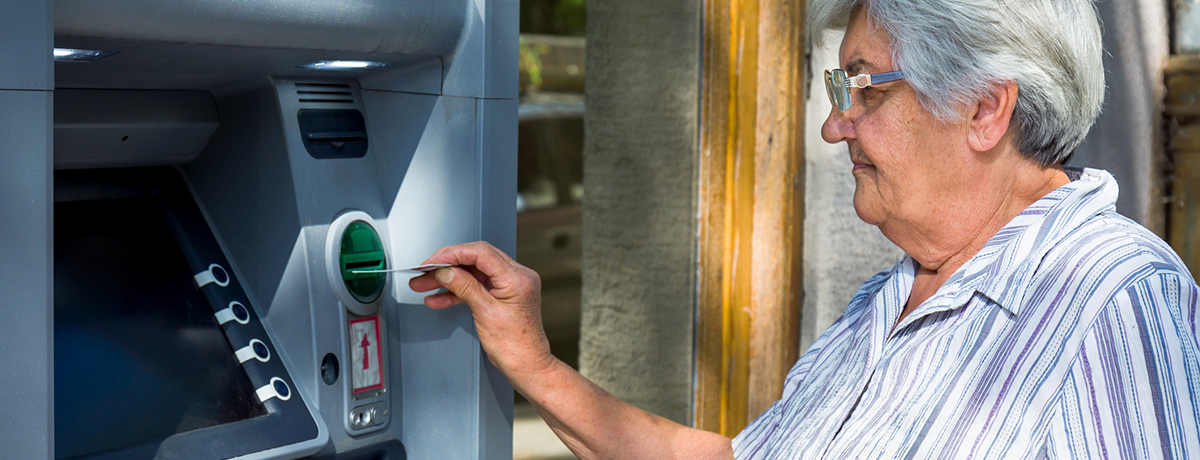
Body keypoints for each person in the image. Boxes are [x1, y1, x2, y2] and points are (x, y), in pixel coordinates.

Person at [410, 0, 1200, 457]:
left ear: (984, 108)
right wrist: (535, 362)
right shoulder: (886, 303)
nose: (835, 126)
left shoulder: (1114, 296)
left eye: (862, 88)